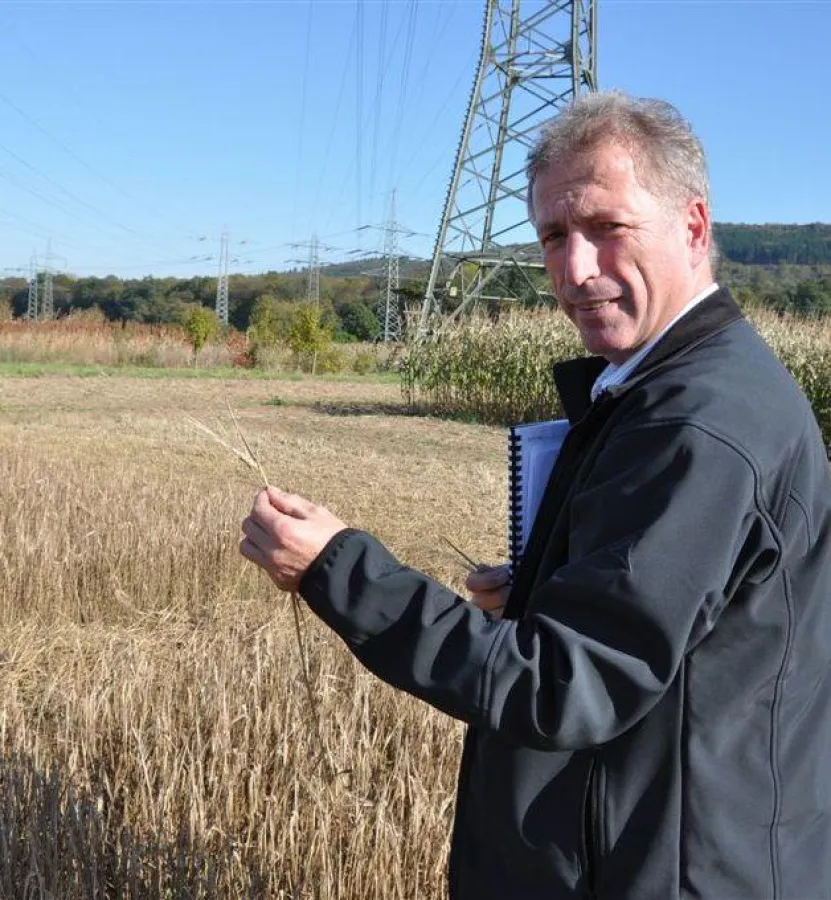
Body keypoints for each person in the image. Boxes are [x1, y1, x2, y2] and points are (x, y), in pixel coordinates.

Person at [240, 92, 831, 899]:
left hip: (667, 870)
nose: (575, 269)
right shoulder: (655, 390)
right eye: (553, 235)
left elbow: (564, 686)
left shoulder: (698, 422)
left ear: (691, 227)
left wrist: (338, 570)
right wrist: (540, 595)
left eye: (606, 227)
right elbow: (679, 628)